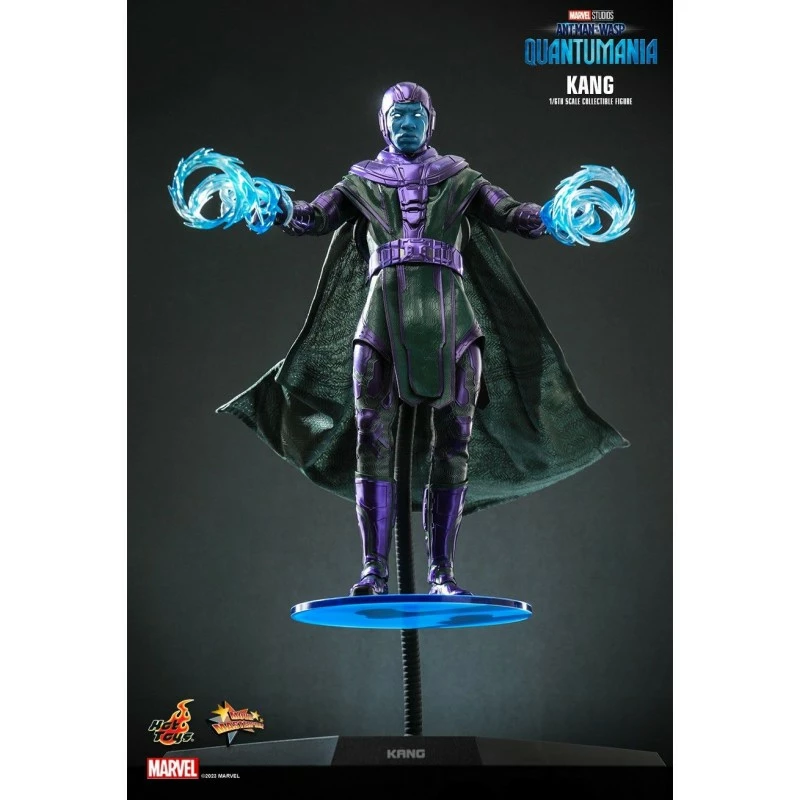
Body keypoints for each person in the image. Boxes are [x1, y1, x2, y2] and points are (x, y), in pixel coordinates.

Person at [217, 82, 627, 598]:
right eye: (398, 115)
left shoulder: (460, 178)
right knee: (372, 438)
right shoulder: (361, 182)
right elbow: (312, 217)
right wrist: (267, 203)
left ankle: (442, 574)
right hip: (380, 318)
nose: (406, 123)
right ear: (383, 123)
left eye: (415, 115)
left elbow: (512, 214)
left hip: (452, 319)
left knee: (454, 443)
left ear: (430, 121)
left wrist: (556, 214)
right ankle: (372, 571)